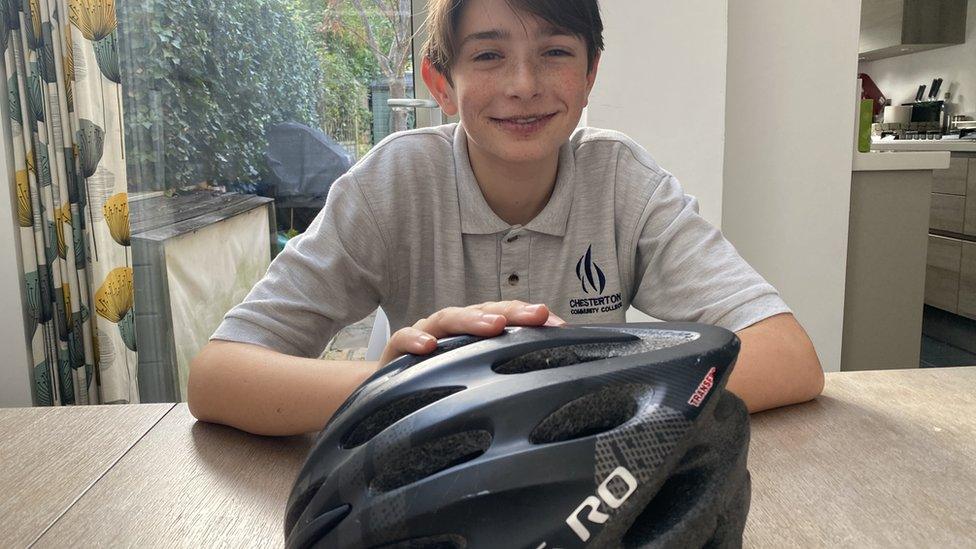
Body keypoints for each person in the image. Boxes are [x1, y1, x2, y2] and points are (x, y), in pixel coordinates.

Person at [187, 0, 824, 437]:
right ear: (443, 81)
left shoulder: (624, 182)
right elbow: (218, 376)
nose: (524, 84)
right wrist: (398, 389)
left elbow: (789, 357)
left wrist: (583, 396)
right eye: (489, 56)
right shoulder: (392, 183)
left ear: (589, 73)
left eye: (554, 53)